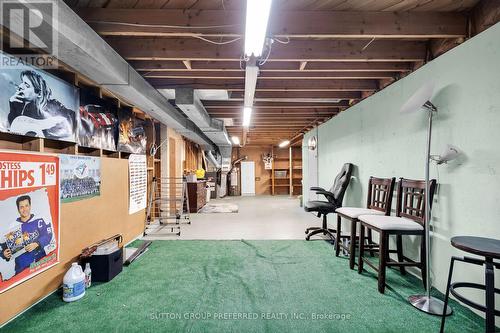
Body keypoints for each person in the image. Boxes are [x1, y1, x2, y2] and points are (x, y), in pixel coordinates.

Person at [8, 70, 76, 140]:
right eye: (22, 82)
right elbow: (15, 130)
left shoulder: (52, 104)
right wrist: (13, 106)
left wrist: (46, 129)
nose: (20, 86)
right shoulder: (20, 106)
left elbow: (73, 120)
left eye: (27, 85)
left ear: (39, 94)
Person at [0, 195, 53, 275]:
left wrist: (37, 243)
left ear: (30, 206)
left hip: (40, 261)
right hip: (22, 266)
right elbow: (4, 247)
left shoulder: (38, 219)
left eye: (26, 206)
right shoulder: (13, 226)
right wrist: (4, 254)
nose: (24, 209)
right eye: (21, 207)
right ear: (18, 209)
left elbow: (48, 235)